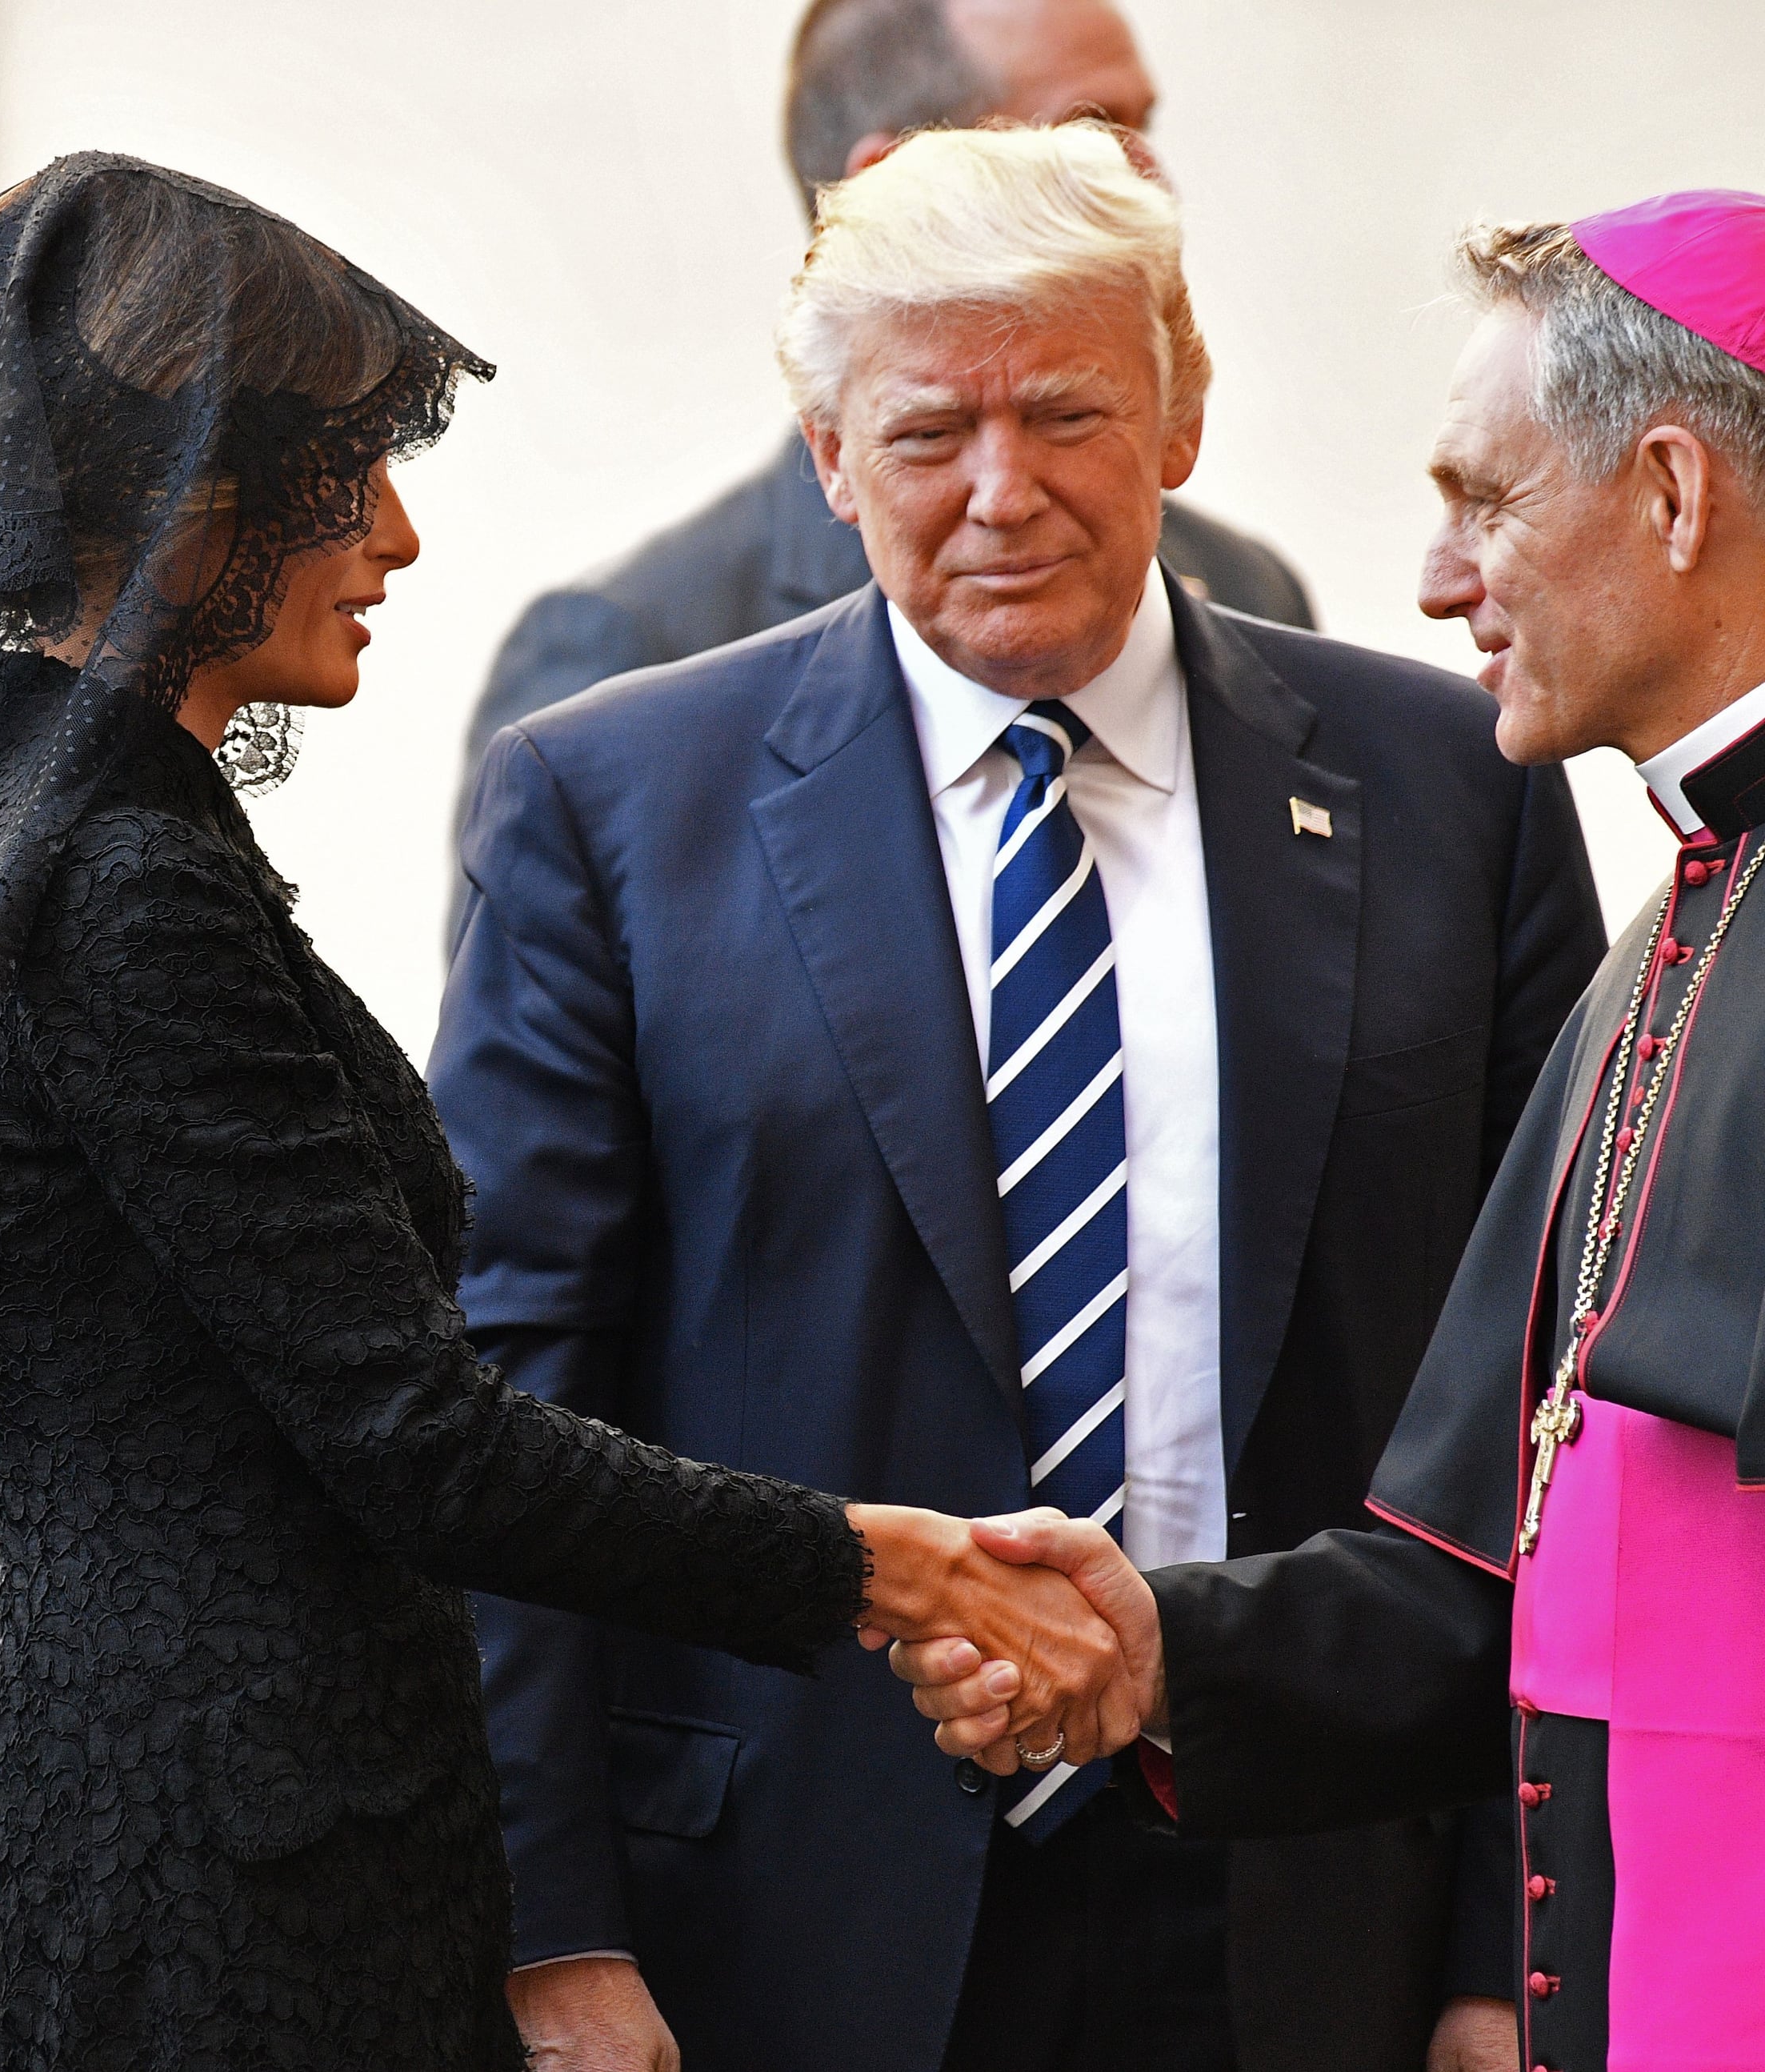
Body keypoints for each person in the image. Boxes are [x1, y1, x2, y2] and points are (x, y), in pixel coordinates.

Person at [0, 151, 1119, 2072]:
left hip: (184, 1836)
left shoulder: (30, 829)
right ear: (190, 496)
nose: (399, 536)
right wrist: (871, 1562)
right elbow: (417, 1435)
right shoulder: (111, 883)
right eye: (346, 472)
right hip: (225, 1895)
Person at [430, 124, 1603, 2072]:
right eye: (923, 432)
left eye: (1062, 408)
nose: (1001, 490)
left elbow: (1531, 1412)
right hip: (782, 1906)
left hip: (1308, 1894)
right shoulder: (608, 806)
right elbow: (507, 1397)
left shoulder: (1446, 782)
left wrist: (1503, 1945)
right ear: (823, 457)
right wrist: (549, 1921)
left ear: (1180, 407)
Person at [896, 190, 1765, 2072]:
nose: (1441, 576)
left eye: (1484, 497)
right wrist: (1151, 1647)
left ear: (1674, 497)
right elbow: (1507, 1573)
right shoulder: (1668, 939)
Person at [453, 0, 1308, 940]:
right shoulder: (627, 654)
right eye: (1093, 138)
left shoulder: (1241, 590)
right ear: (891, 186)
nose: (1156, 185)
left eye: (1142, 129)